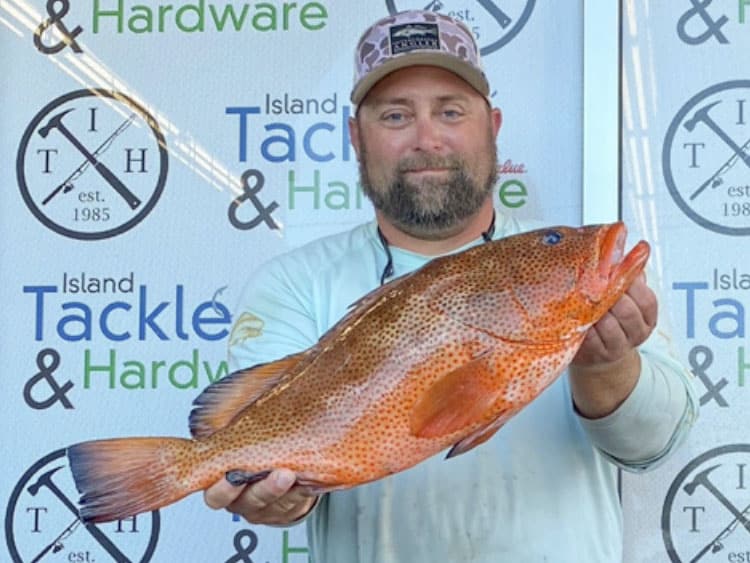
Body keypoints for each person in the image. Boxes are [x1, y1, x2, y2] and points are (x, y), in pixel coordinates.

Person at [204, 10, 698, 562]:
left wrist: (605, 366)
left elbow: (656, 444)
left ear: (493, 127)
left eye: (451, 111)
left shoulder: (581, 277)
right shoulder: (293, 283)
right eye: (395, 115)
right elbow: (266, 461)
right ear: (354, 138)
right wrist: (278, 496)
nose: (427, 138)